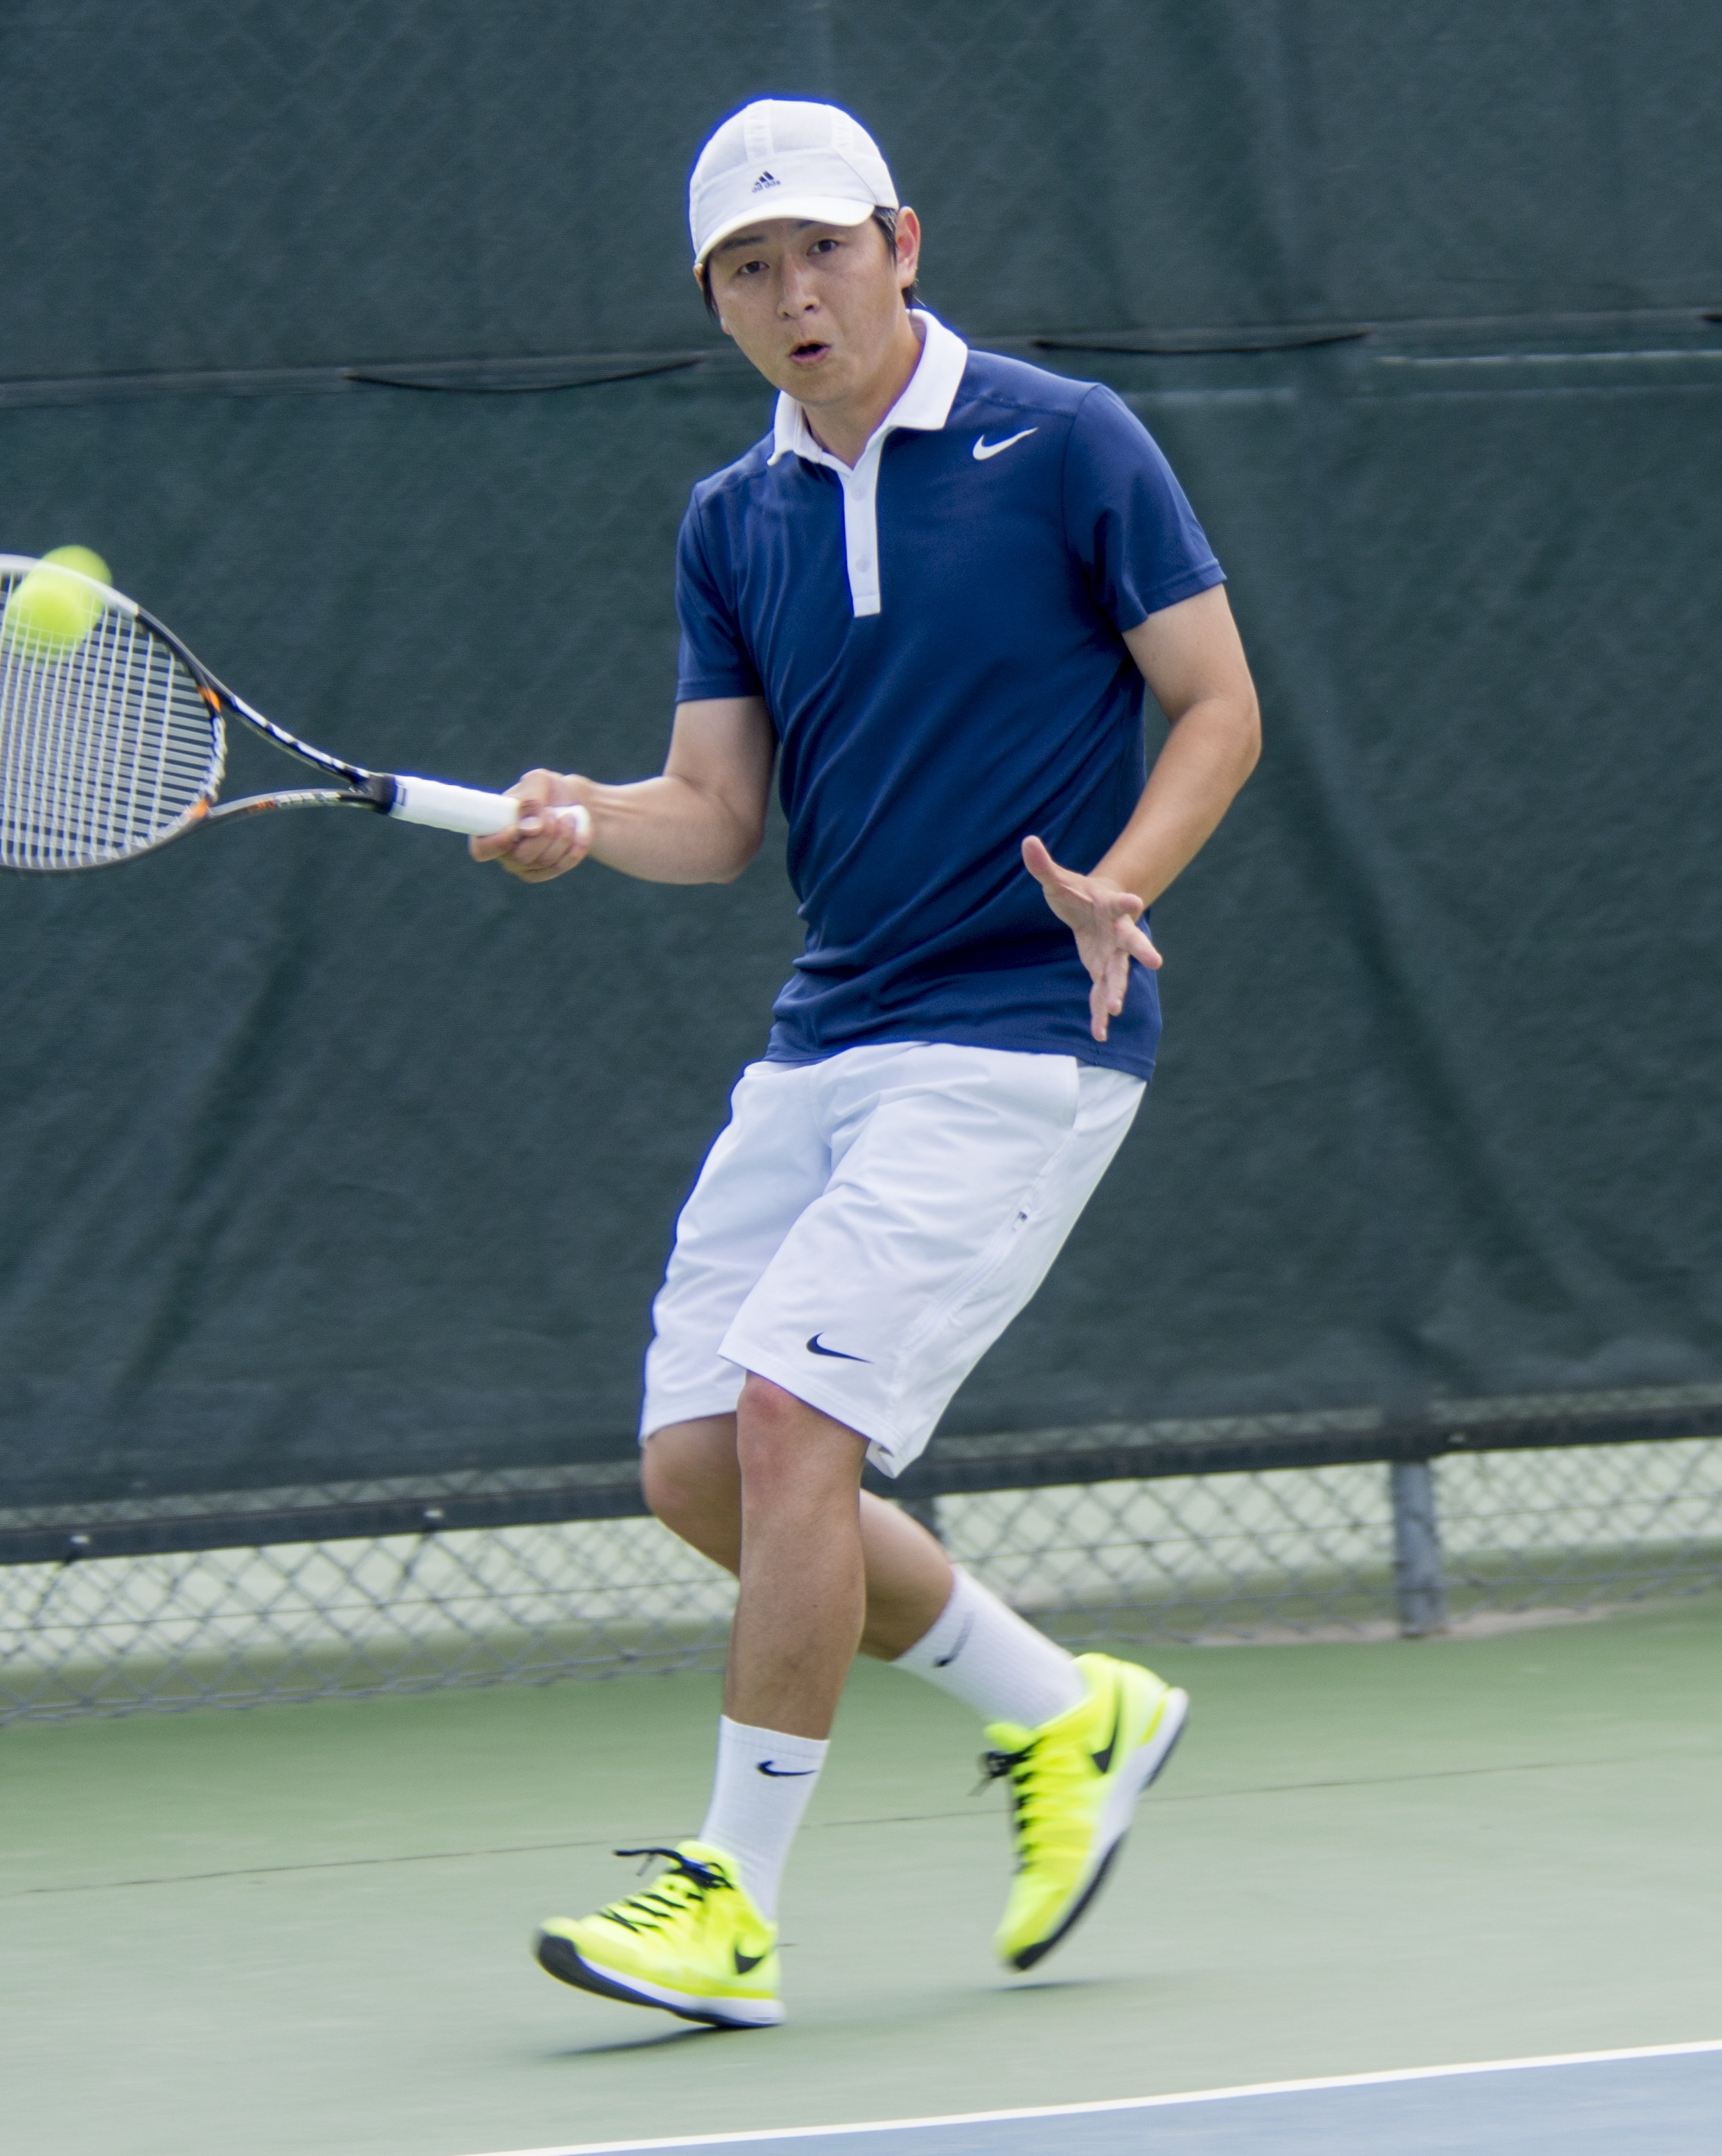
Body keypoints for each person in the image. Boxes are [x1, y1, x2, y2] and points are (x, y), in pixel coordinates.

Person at [471, 100, 1263, 2028]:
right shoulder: (729, 518)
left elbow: (1217, 703)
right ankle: (1065, 1711)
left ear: (900, 243)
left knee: (783, 1424)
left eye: (819, 248)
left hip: (1017, 1033)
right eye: (747, 267)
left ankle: (728, 1896)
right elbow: (718, 813)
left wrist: (1121, 880)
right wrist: (586, 817)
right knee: (693, 1467)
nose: (789, 290)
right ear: (716, 303)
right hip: (832, 1024)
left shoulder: (1061, 441)